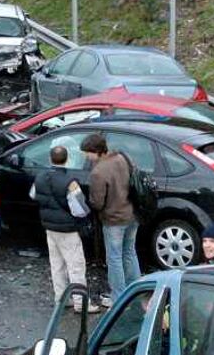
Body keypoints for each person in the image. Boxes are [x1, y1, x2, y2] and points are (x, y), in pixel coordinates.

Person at [30, 145, 97, 313]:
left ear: (50, 159)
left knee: (57, 265)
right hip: (68, 230)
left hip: (50, 229)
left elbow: (33, 195)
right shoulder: (70, 182)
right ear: (67, 159)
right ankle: (81, 304)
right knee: (76, 267)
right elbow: (80, 209)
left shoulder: (40, 177)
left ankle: (61, 299)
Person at [81, 133, 140, 304]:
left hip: (114, 220)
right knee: (130, 252)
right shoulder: (122, 157)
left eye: (87, 153)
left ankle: (118, 298)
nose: (86, 156)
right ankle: (136, 290)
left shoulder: (98, 172)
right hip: (132, 214)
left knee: (114, 258)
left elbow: (97, 203)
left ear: (96, 151)